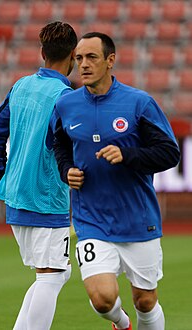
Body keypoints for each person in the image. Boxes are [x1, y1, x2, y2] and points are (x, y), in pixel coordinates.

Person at [52, 32, 180, 330]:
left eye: (92, 57)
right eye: (79, 58)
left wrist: (128, 154)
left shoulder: (139, 103)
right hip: (91, 218)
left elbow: (169, 153)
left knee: (145, 301)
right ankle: (122, 325)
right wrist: (66, 169)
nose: (83, 64)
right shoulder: (66, 105)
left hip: (138, 219)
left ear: (110, 61)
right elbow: (59, 144)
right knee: (102, 299)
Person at [0, 21, 77, 330]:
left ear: (42, 52)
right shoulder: (66, 97)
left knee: (54, 274)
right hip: (46, 197)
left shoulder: (21, 85)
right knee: (52, 277)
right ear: (74, 56)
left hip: (15, 195)